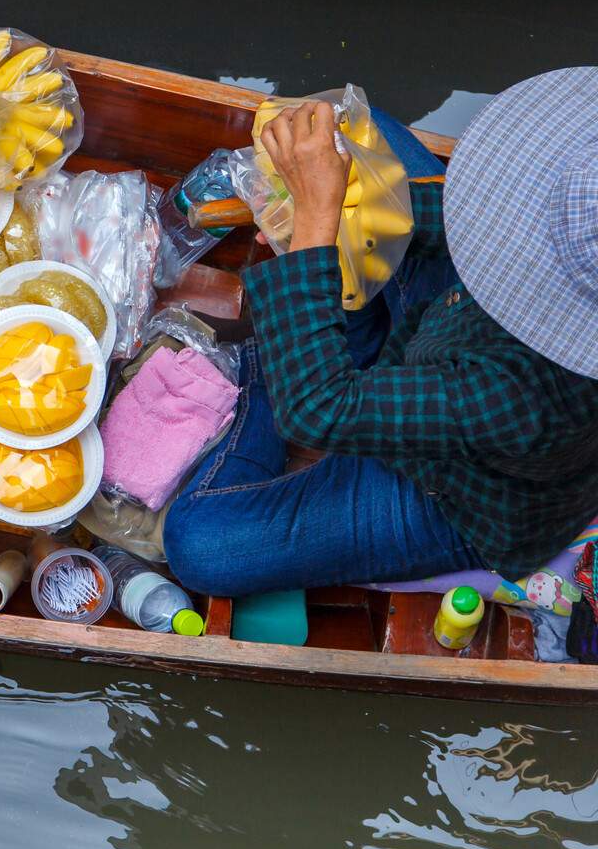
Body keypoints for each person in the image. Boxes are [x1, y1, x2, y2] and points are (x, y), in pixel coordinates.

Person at [164, 69, 598, 596]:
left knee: (200, 545)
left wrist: (317, 222)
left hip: (453, 488)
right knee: (355, 133)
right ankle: (328, 331)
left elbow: (318, 408)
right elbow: (462, 220)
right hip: (448, 327)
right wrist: (348, 203)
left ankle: (263, 372)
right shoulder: (560, 236)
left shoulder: (521, 394)